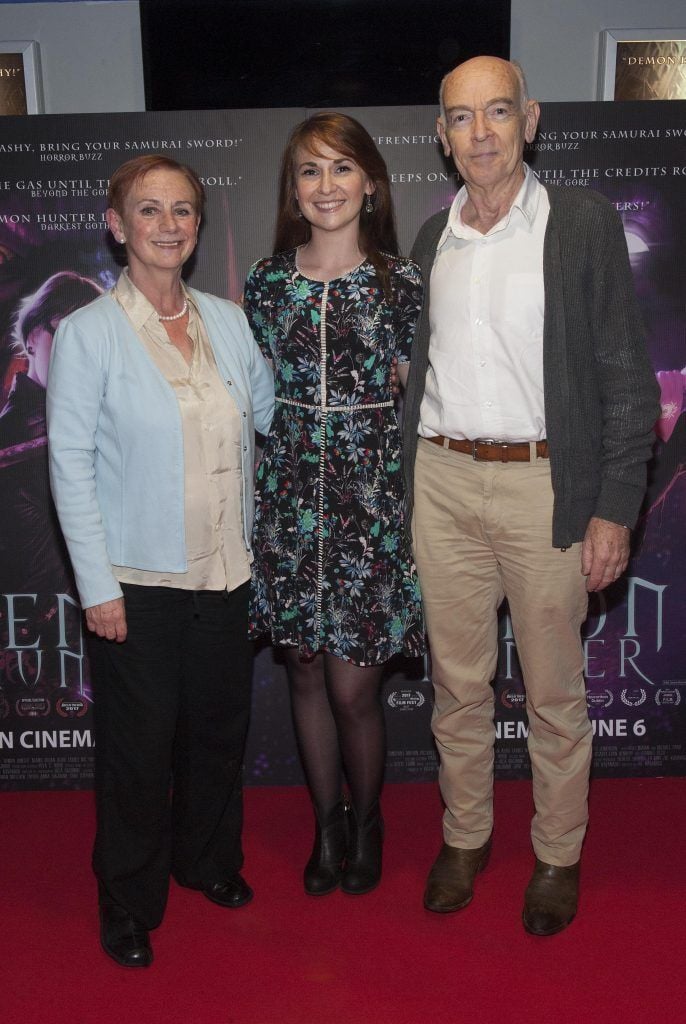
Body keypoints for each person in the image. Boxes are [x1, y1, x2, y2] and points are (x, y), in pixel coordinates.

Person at [402, 57, 660, 935]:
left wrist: (614, 506)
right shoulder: (433, 240)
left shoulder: (581, 223)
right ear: (442, 137)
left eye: (498, 112)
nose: (481, 133)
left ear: (530, 120)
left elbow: (627, 379)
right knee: (458, 685)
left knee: (554, 691)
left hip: (547, 484)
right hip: (440, 481)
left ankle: (557, 853)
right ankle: (466, 836)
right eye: (462, 118)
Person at [46, 155, 274, 967]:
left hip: (226, 573)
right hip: (137, 584)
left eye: (182, 210)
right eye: (149, 210)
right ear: (117, 225)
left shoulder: (229, 320)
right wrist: (97, 586)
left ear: (197, 224)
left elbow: (268, 417)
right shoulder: (86, 335)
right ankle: (128, 899)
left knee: (217, 734)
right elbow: (68, 464)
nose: (168, 225)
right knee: (138, 751)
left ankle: (207, 861)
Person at [244, 112, 424, 897]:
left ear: (371, 183)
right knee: (307, 672)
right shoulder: (266, 282)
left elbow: (424, 397)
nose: (326, 186)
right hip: (289, 505)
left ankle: (371, 814)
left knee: (355, 686)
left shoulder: (402, 284)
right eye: (310, 171)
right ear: (294, 189)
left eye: (341, 169)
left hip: (369, 509)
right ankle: (327, 826)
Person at [1, 272, 102, 598]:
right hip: (39, 625)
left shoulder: (96, 421)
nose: (75, 353)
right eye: (63, 334)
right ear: (32, 337)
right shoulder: (17, 434)